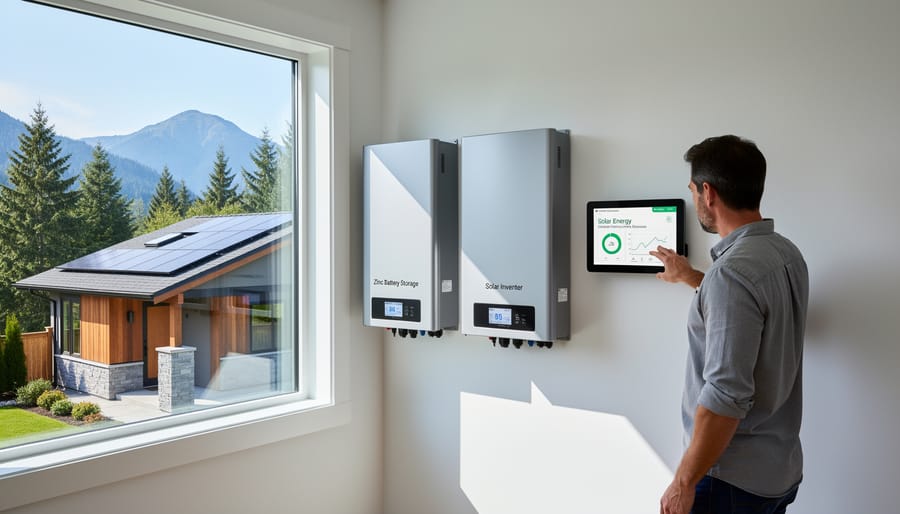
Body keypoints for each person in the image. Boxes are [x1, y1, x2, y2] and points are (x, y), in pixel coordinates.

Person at [650, 135, 809, 514]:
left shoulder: (732, 274)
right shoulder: (785, 253)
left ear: (708, 193)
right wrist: (692, 277)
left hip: (729, 482)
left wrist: (683, 483)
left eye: (692, 191)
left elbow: (725, 394)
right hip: (776, 470)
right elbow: (750, 315)